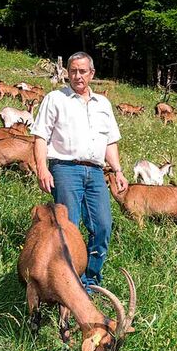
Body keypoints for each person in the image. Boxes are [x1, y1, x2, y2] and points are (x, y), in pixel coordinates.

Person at [30, 52, 129, 291]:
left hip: (96, 172)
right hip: (65, 169)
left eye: (82, 71)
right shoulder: (55, 98)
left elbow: (110, 142)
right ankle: (65, 285)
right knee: (67, 229)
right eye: (73, 71)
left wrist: (118, 170)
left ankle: (90, 282)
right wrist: (42, 168)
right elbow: (40, 136)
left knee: (103, 226)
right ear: (67, 73)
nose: (77, 76)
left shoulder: (103, 104)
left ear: (92, 74)